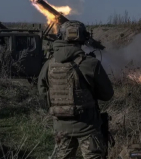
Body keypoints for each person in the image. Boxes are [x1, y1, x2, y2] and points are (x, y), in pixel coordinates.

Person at [38, 21, 114, 159]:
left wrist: (57, 108)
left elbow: (42, 92)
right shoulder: (91, 64)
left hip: (61, 126)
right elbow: (107, 94)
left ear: (60, 36)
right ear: (84, 38)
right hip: (88, 126)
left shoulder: (49, 64)